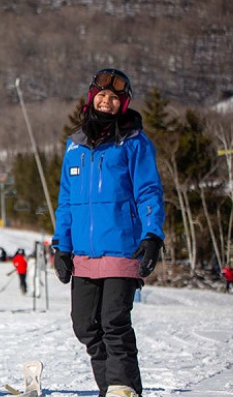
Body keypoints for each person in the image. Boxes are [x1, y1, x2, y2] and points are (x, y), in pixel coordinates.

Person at [52, 69, 165, 397]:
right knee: (85, 326)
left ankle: (123, 389)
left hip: (122, 247)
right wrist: (61, 246)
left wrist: (152, 235)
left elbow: (148, 192)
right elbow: (66, 202)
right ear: (91, 97)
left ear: (123, 103)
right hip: (84, 253)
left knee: (114, 322)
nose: (106, 101)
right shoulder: (74, 147)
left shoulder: (134, 143)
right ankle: (113, 389)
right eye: (102, 95)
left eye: (114, 97)